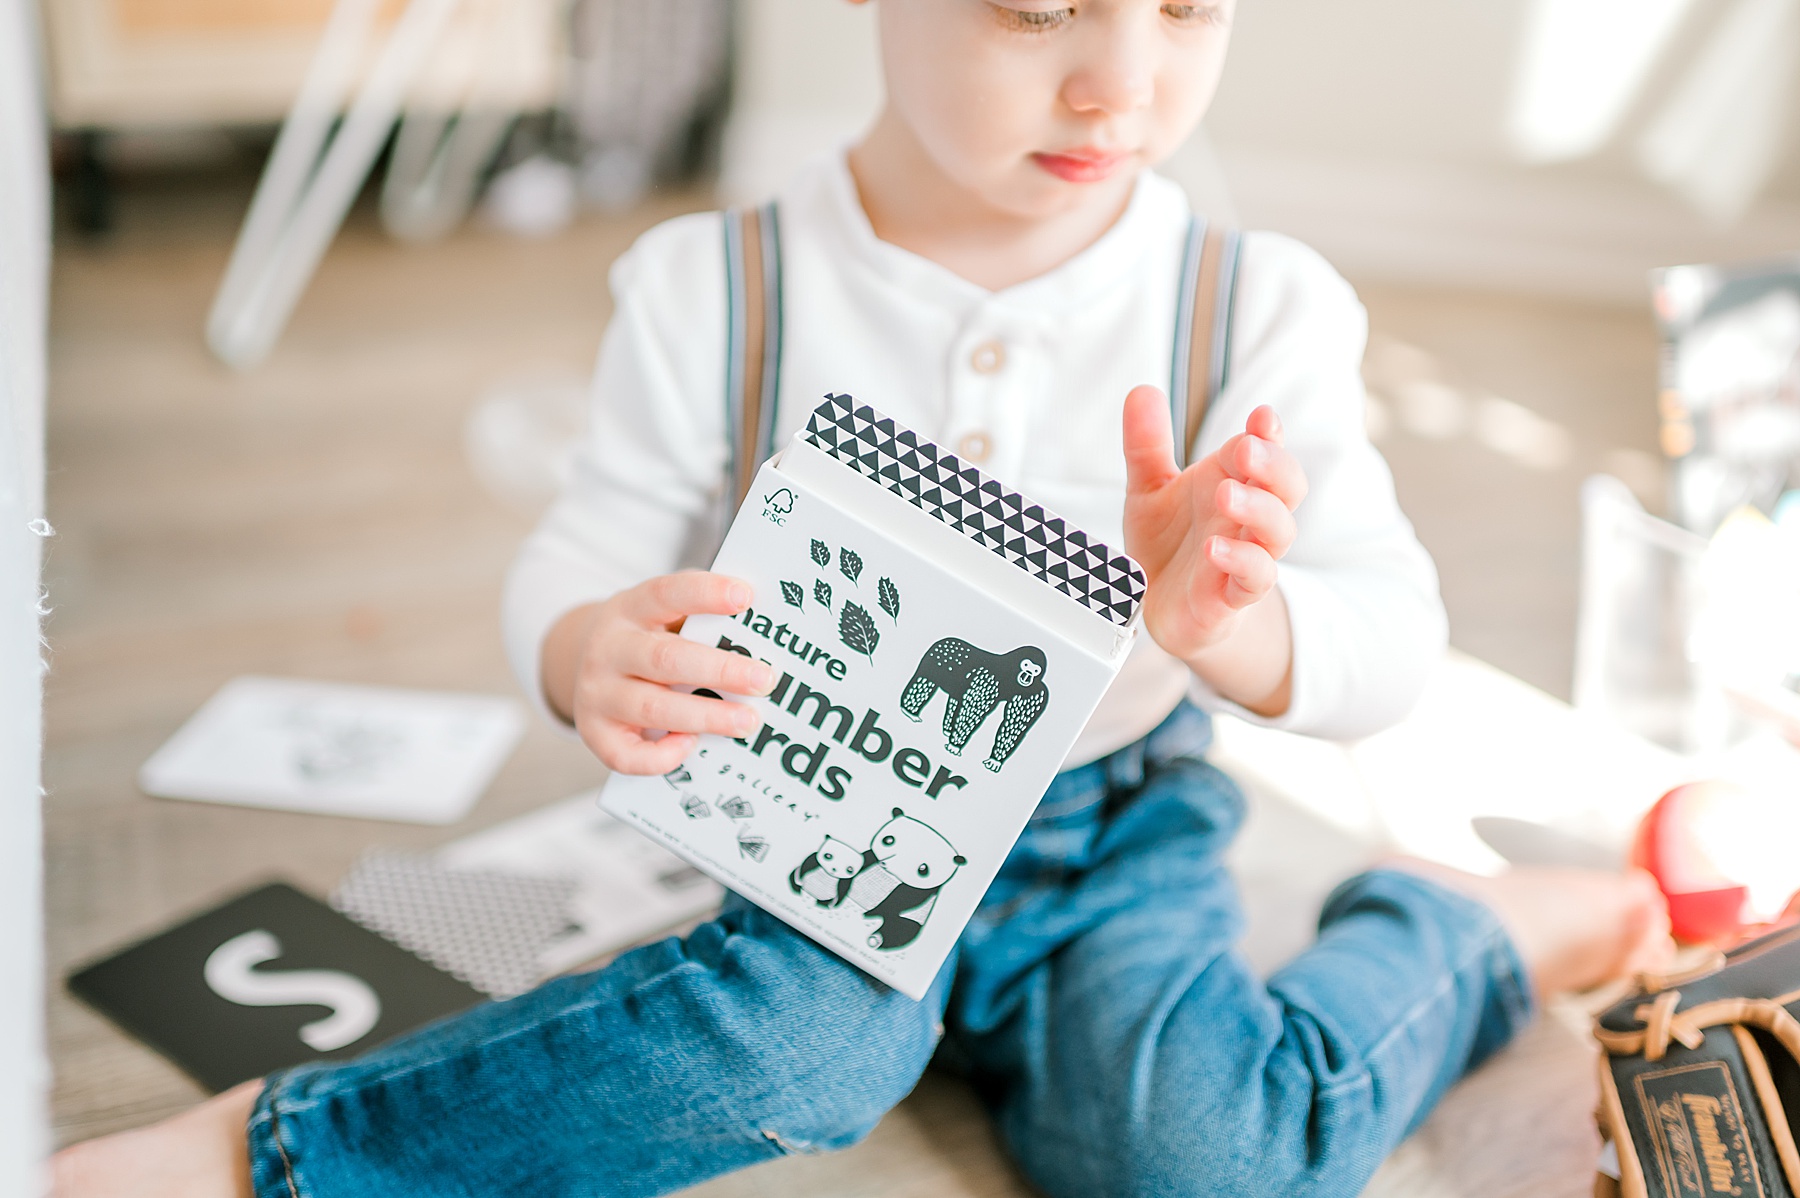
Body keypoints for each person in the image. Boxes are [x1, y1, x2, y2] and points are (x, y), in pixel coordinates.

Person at [54, 1, 1671, 1195]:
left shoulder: (1253, 311)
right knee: (800, 1045)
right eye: (1039, 7)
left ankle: (1462, 934)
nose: (1120, 81)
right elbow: (578, 550)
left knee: (1207, 1152)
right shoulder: (716, 288)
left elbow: (1393, 640)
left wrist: (1232, 625)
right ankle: (271, 1153)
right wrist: (584, 646)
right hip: (830, 816)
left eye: (1187, 7)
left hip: (1107, 828)